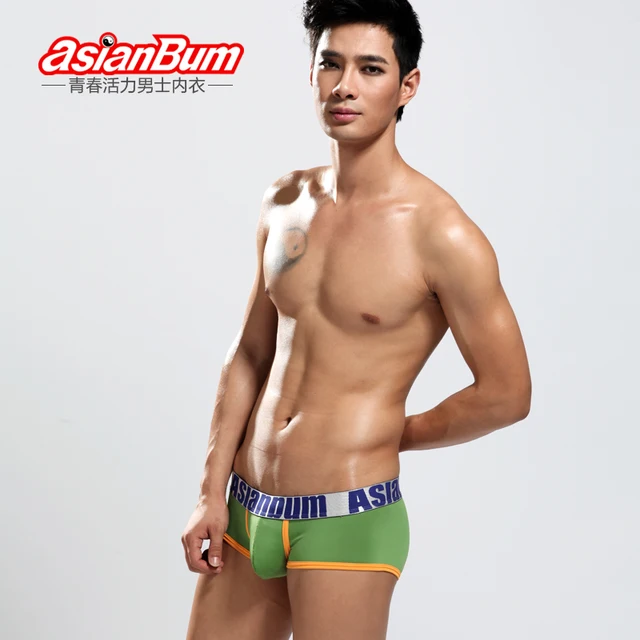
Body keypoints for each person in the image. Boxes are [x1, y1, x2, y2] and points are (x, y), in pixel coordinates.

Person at [182, 1, 532, 638]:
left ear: (407, 86)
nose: (344, 86)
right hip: (244, 507)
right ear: (312, 74)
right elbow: (251, 353)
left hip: (346, 516)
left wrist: (394, 433)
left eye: (370, 69)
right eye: (331, 64)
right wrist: (210, 490)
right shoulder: (284, 200)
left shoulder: (442, 233)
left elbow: (507, 394)